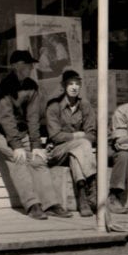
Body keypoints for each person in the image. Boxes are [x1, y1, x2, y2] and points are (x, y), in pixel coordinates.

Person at [0, 51, 71, 220]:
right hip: (3, 134)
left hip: (22, 133)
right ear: (16, 66)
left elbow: (32, 118)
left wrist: (36, 145)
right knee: (18, 160)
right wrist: (17, 146)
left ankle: (50, 204)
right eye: (26, 64)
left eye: (31, 64)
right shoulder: (4, 87)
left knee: (38, 161)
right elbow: (6, 119)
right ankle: (33, 205)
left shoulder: (32, 86)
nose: (30, 68)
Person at [45, 69, 97, 217]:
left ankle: (82, 197)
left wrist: (79, 138)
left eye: (77, 84)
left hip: (76, 152)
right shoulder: (54, 106)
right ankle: (92, 189)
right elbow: (55, 136)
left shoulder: (85, 106)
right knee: (82, 144)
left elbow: (92, 134)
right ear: (63, 86)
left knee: (77, 153)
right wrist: (76, 135)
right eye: (70, 84)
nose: (74, 87)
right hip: (57, 151)